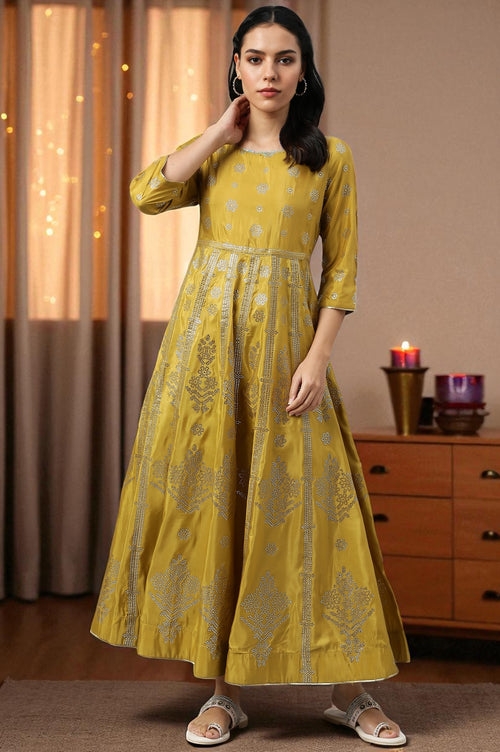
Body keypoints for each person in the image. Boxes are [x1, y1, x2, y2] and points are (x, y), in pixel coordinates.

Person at [91, 5, 410, 748]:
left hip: (289, 356)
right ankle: (222, 695)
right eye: (256, 58)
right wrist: (218, 129)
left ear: (304, 73)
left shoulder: (331, 158)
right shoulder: (215, 152)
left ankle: (350, 692)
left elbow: (342, 272)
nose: (270, 72)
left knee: (317, 515)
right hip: (206, 359)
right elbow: (147, 193)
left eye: (285, 59)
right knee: (217, 514)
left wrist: (317, 357)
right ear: (236, 67)